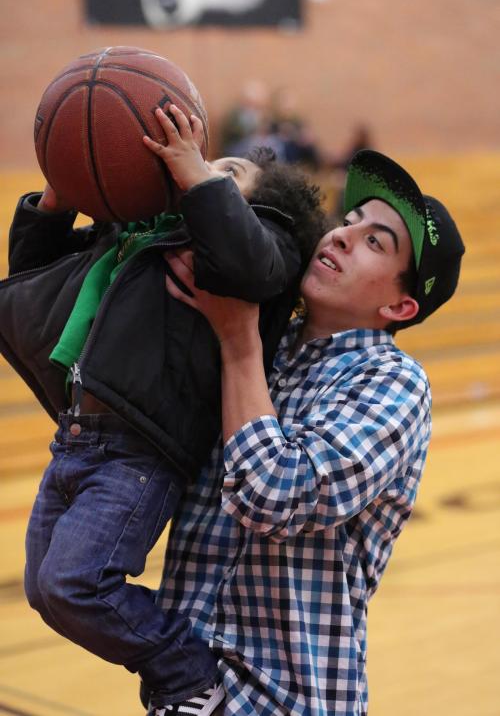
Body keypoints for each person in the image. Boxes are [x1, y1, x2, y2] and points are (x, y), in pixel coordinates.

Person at [0, 104, 325, 716]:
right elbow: (34, 273)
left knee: (76, 584)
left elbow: (247, 254)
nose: (201, 170)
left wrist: (197, 175)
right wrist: (57, 194)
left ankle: (187, 673)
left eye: (226, 172)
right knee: (47, 590)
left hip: (140, 452)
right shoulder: (135, 238)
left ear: (258, 210)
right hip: (75, 437)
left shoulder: (257, 251)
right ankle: (177, 665)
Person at [154, 149, 465, 715]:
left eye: (376, 241)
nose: (343, 236)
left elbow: (275, 493)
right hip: (186, 694)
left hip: (288, 701)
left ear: (401, 304)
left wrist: (238, 341)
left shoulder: (393, 382)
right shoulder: (268, 340)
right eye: (349, 221)